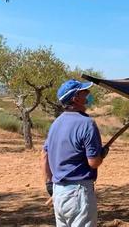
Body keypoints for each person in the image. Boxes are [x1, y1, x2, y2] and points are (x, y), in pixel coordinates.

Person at [41, 79, 108, 227]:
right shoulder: (87, 123)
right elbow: (94, 162)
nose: (88, 95)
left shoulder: (56, 123)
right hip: (78, 193)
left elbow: (44, 155)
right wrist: (102, 154)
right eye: (84, 92)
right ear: (75, 98)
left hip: (59, 193)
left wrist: (49, 184)